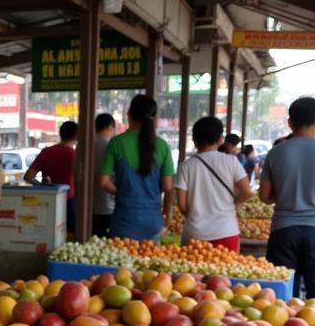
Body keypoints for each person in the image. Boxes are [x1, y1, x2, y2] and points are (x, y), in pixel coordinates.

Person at [259, 96, 315, 310]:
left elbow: (264, 196)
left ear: (289, 122)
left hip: (283, 232)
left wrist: (282, 196)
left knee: (282, 296)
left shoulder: (275, 153)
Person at [97, 94, 175, 242]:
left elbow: (103, 182)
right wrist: (167, 214)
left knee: (121, 264)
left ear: (129, 114)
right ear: (153, 118)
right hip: (152, 220)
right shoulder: (163, 146)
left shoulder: (117, 143)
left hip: (124, 219)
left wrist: (121, 191)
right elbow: (168, 186)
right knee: (148, 263)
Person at [174, 116, 251, 253]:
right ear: (221, 139)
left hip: (195, 234)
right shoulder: (231, 162)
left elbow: (181, 204)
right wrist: (231, 206)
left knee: (192, 274)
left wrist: (196, 215)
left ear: (194, 139)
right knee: (224, 273)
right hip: (226, 231)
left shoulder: (186, 166)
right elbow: (246, 192)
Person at [26, 120, 77, 233]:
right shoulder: (74, 155)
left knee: (48, 234)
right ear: (76, 135)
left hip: (47, 200)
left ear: (60, 133)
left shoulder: (46, 152)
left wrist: (41, 186)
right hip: (69, 202)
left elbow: (28, 176)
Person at [92, 113, 116, 238]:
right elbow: (106, 179)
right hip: (105, 206)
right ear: (111, 126)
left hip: (87, 205)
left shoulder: (86, 145)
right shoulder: (107, 146)